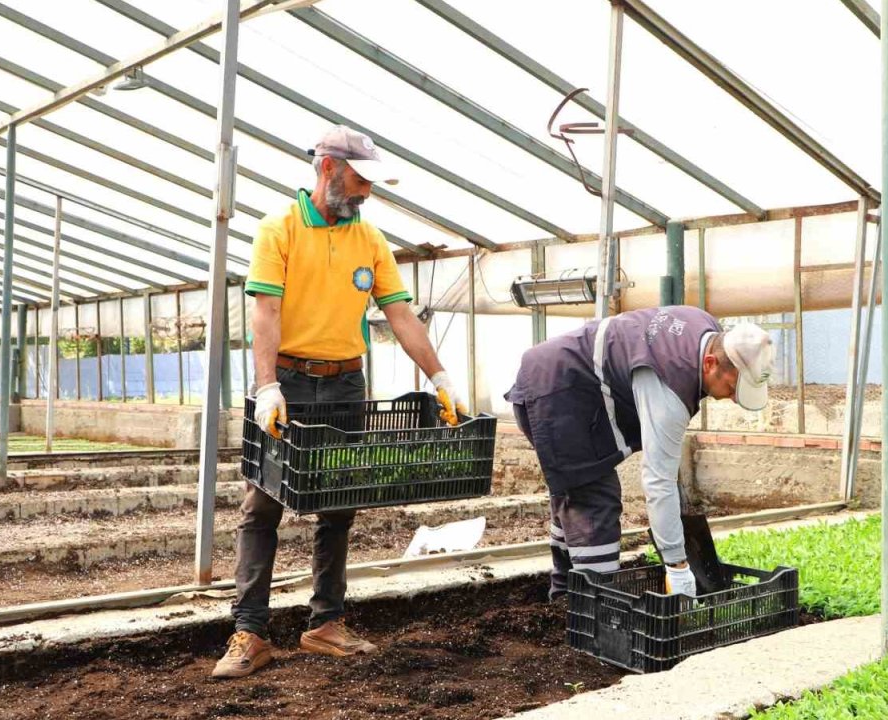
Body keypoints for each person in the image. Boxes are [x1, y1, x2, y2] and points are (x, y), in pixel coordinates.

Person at [212, 125, 467, 679]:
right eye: (358, 180)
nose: (365, 193)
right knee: (262, 505)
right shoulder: (277, 229)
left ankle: (326, 622)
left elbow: (400, 314)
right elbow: (266, 313)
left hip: (346, 381)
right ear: (327, 168)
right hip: (290, 382)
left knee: (339, 502)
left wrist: (441, 374)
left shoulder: (368, 238)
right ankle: (250, 631)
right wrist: (267, 386)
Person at [505, 306, 773, 600]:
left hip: (560, 379)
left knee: (574, 495)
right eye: (733, 388)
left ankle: (565, 598)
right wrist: (677, 566)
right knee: (595, 501)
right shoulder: (668, 389)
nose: (734, 399)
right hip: (554, 394)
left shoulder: (704, 324)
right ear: (710, 363)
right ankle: (598, 607)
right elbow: (658, 482)